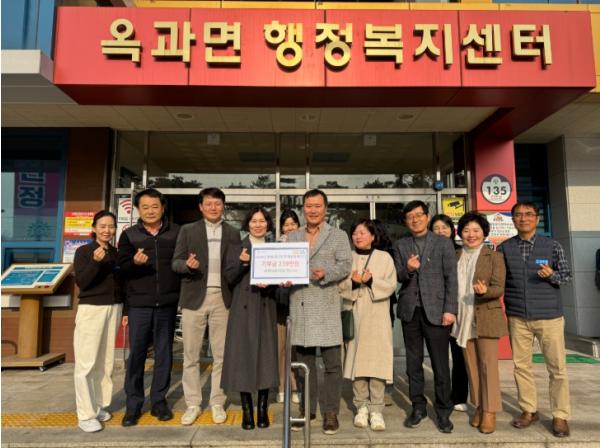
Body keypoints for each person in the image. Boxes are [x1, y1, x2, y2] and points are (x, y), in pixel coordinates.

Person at [498, 201, 573, 438]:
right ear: (513, 220)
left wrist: (552, 275)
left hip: (549, 316)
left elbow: (567, 276)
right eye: (518, 215)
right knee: (521, 366)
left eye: (529, 214)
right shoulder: (504, 248)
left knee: (557, 368)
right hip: (518, 316)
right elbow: (499, 279)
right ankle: (529, 410)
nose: (523, 218)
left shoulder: (552, 246)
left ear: (537, 219)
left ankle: (560, 415)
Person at [171, 187, 241, 426]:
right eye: (209, 204)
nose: (213, 207)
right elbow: (175, 262)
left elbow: (235, 267)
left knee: (221, 355)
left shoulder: (233, 233)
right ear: (201, 207)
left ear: (223, 206)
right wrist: (186, 265)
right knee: (191, 355)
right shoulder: (188, 230)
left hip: (223, 298)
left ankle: (217, 402)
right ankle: (193, 403)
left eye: (217, 203)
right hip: (194, 298)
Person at [286, 189, 352, 435]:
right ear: (303, 208)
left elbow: (345, 265)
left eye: (317, 206)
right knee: (304, 364)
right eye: (308, 206)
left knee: (332, 364)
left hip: (326, 303)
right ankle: (307, 410)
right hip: (301, 302)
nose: (312, 210)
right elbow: (285, 264)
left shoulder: (338, 235)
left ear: (326, 209)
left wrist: (327, 273)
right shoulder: (292, 236)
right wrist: (284, 278)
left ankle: (330, 412)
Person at [392, 201, 458, 433]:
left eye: (419, 215)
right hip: (411, 311)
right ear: (406, 221)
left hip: (437, 311)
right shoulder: (401, 245)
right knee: (413, 363)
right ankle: (418, 407)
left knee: (440, 364)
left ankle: (443, 411)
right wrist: (409, 269)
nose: (415, 219)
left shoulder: (443, 243)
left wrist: (450, 309)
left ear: (427, 217)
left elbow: (451, 278)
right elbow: (397, 275)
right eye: (410, 216)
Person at [117, 189, 180, 427]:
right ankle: (133, 405)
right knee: (137, 355)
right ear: (137, 210)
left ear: (163, 208)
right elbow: (121, 268)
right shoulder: (129, 235)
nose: (150, 211)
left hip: (167, 303)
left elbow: (181, 262)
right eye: (145, 207)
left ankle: (159, 402)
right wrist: (134, 262)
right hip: (139, 304)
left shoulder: (176, 232)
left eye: (155, 206)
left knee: (164, 354)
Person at [221, 207, 279, 430]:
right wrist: (243, 263)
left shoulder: (274, 249)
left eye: (262, 221)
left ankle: (262, 407)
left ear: (268, 224)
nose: (258, 225)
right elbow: (229, 277)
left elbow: (280, 279)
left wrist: (274, 283)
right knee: (243, 356)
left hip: (265, 306)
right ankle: (247, 409)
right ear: (247, 224)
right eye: (254, 221)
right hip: (243, 307)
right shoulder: (237, 247)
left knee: (265, 355)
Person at [453, 212, 507, 434]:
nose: (471, 234)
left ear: (484, 233)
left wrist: (485, 291)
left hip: (485, 316)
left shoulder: (494, 257)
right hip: (462, 317)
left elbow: (498, 287)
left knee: (488, 366)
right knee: (472, 366)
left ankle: (490, 410)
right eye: (466, 230)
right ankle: (479, 406)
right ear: (460, 233)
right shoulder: (455, 255)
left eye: (476, 230)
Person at [341, 219, 397, 431]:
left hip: (378, 316)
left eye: (363, 233)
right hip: (355, 315)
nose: (358, 236)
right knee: (357, 362)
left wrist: (372, 281)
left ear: (373, 236)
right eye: (355, 233)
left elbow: (391, 285)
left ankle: (376, 410)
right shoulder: (347, 258)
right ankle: (361, 407)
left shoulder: (384, 257)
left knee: (377, 362)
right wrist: (354, 283)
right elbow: (340, 286)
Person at [73, 210, 123, 433]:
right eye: (102, 226)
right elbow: (82, 282)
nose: (107, 230)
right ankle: (85, 414)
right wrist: (94, 262)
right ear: (94, 228)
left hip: (114, 308)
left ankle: (98, 405)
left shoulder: (116, 252)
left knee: (105, 361)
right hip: (91, 309)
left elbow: (121, 283)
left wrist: (125, 309)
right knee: (87, 362)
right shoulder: (84, 251)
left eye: (111, 226)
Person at [429, 214, 469, 413]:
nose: (440, 231)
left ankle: (459, 396)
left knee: (459, 354)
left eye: (444, 227)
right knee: (440, 357)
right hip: (436, 309)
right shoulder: (429, 252)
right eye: (436, 228)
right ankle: (442, 394)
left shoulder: (461, 252)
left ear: (452, 231)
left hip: (459, 309)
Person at [275, 209, 301, 404]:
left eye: (293, 223)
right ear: (281, 228)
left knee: (296, 348)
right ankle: (282, 387)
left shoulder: (305, 246)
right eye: (286, 224)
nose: (290, 227)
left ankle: (295, 387)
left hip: (300, 303)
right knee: (281, 348)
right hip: (281, 304)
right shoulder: (275, 247)